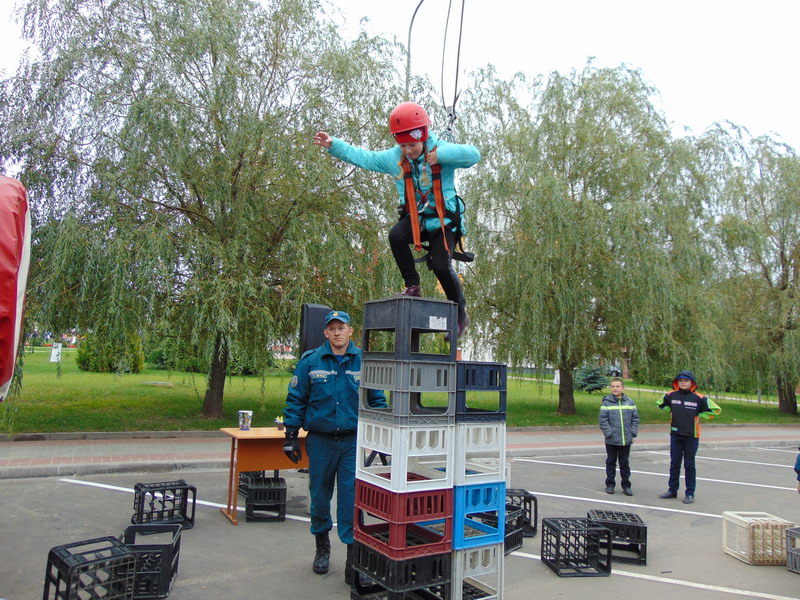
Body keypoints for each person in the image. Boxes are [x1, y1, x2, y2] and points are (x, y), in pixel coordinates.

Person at [313, 101, 481, 339]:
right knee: (396, 235)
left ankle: (460, 316)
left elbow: (474, 155)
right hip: (418, 222)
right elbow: (365, 158)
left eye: (412, 145)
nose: (408, 150)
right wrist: (334, 145)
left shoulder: (440, 150)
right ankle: (413, 286)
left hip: (444, 224)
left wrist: (441, 155)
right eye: (402, 145)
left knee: (441, 265)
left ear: (423, 137)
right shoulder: (395, 158)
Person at [282, 310, 386, 583]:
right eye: (333, 328)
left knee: (352, 500)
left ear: (351, 331)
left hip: (353, 442)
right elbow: (296, 399)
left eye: (342, 327)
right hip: (320, 441)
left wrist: (384, 438)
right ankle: (322, 549)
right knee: (319, 496)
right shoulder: (310, 362)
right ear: (325, 333)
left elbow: (377, 402)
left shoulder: (365, 362)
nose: (338, 332)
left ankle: (354, 558)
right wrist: (291, 435)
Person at [657, 370, 721, 504]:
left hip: (691, 436)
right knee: (674, 463)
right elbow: (660, 403)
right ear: (676, 383)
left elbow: (715, 410)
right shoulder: (671, 395)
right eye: (680, 381)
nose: (683, 383)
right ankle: (672, 490)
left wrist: (698, 416)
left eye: (685, 381)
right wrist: (671, 411)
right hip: (675, 435)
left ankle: (690, 492)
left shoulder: (699, 398)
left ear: (691, 383)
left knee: (689, 465)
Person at [599, 377, 639, 496]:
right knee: (611, 462)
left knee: (624, 463)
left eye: (617, 386)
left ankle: (626, 485)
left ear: (622, 388)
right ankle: (610, 484)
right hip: (611, 440)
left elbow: (635, 418)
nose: (615, 388)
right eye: (613, 386)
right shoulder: (606, 403)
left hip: (625, 439)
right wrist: (609, 433)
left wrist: (633, 432)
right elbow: (603, 420)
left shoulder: (630, 402)